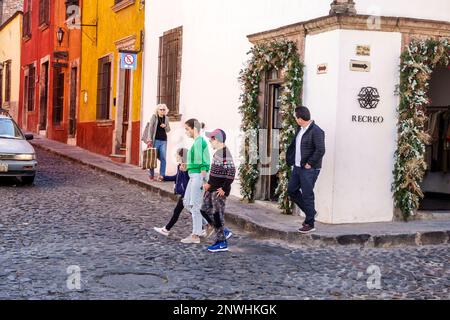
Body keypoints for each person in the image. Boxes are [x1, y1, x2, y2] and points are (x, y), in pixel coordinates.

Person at [287, 106, 325, 234]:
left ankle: (310, 223)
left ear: (300, 118)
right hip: (297, 167)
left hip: (309, 169)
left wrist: (310, 163)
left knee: (307, 194)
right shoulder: (300, 129)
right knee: (292, 190)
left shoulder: (316, 131)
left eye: (296, 117)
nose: (295, 120)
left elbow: (320, 150)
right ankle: (311, 213)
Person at [201, 129, 236, 252]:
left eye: (211, 139)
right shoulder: (218, 153)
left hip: (219, 191)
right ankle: (223, 231)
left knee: (217, 215)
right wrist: (209, 184)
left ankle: (221, 243)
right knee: (204, 210)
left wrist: (225, 188)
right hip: (212, 188)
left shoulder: (225, 154)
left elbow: (231, 172)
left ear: (216, 139)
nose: (210, 142)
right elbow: (215, 173)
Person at [181, 119, 210, 244]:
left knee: (195, 206)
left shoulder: (199, 141)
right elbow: (197, 161)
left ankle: (195, 235)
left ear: (194, 129)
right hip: (193, 175)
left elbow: (202, 162)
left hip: (198, 177)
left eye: (187, 129)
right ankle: (207, 224)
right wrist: (187, 166)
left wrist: (204, 179)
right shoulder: (197, 142)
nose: (186, 132)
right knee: (187, 202)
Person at [153, 148, 190, 236]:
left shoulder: (188, 167)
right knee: (186, 211)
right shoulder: (179, 166)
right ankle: (166, 229)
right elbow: (176, 177)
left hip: (187, 193)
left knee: (194, 212)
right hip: (184, 194)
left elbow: (187, 182)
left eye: (176, 154)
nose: (175, 156)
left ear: (181, 156)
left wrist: (184, 171)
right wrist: (164, 178)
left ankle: (166, 229)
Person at [142, 104, 171, 181]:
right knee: (153, 157)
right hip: (155, 140)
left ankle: (162, 175)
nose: (162, 111)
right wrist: (149, 139)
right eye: (160, 109)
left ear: (165, 111)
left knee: (163, 158)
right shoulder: (154, 117)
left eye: (163, 110)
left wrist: (165, 126)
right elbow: (150, 128)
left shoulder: (166, 118)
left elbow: (168, 130)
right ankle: (151, 175)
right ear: (157, 110)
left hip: (163, 141)